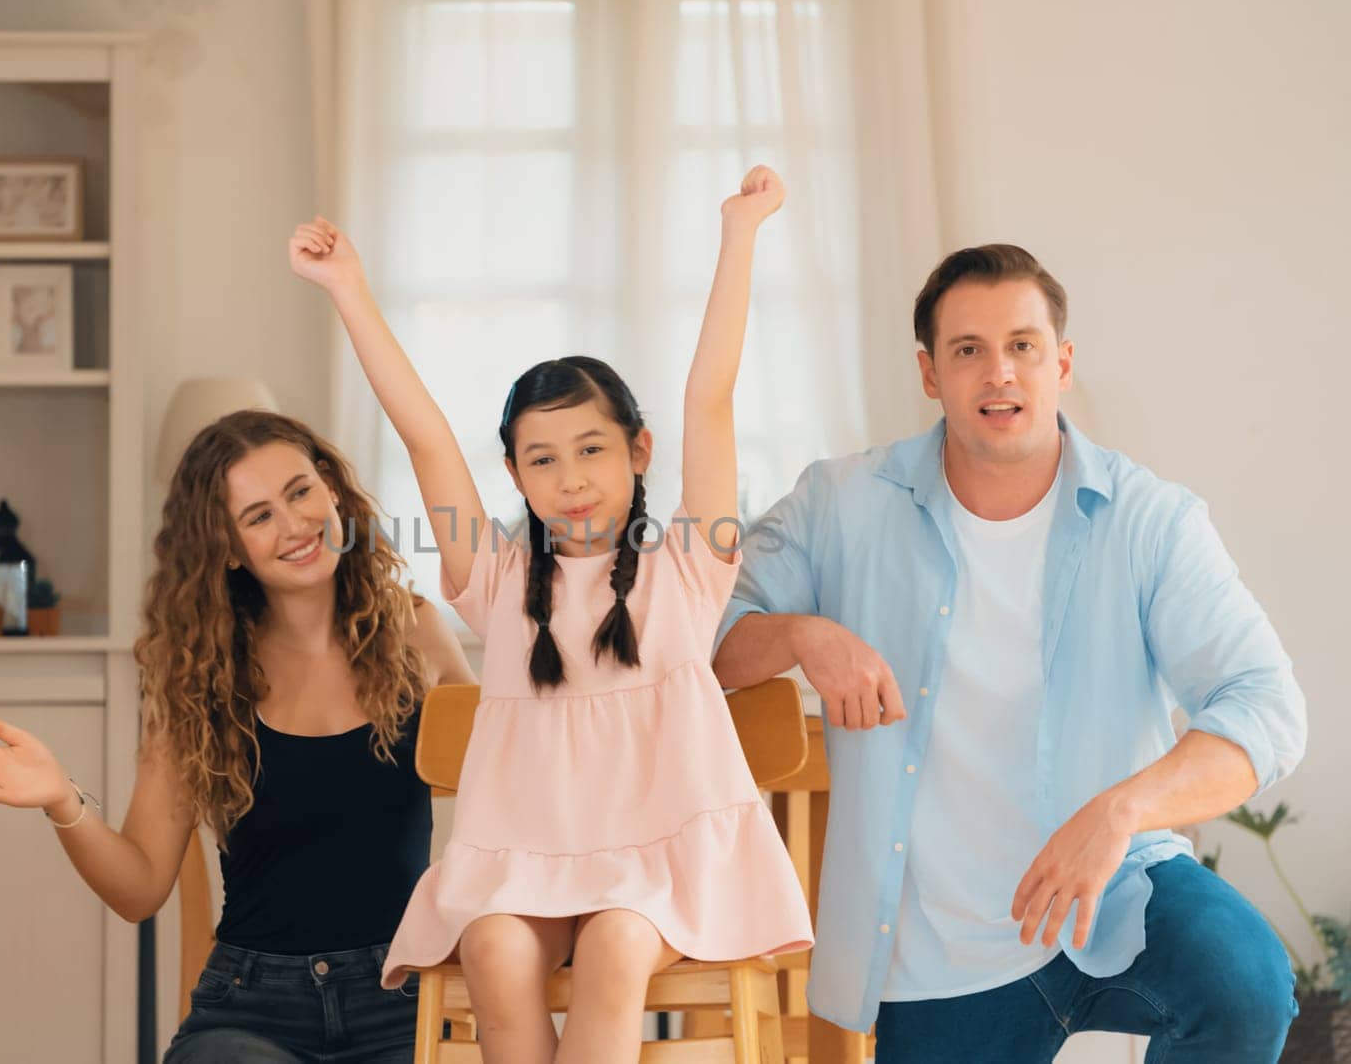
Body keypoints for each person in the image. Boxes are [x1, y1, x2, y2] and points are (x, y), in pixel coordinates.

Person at [712, 244, 1307, 1062]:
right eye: (969, 350)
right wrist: (802, 634)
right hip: (937, 959)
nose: (1001, 373)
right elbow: (704, 636)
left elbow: (1266, 707)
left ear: (1060, 363)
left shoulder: (1151, 519)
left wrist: (1120, 810)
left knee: (1243, 982)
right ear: (929, 373)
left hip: (1116, 895)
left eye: (1023, 346)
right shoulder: (838, 504)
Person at [289, 164, 813, 1064]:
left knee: (614, 945)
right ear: (516, 476)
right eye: (540, 460)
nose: (569, 479)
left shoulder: (686, 566)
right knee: (492, 944)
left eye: (591, 449)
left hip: (657, 871)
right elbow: (423, 435)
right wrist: (349, 289)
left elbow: (711, 400)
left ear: (637, 450)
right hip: (525, 864)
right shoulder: (495, 579)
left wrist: (740, 236)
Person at [0, 410, 474, 1063]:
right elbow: (139, 887)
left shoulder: (416, 634)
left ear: (332, 488)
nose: (295, 524)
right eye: (258, 516)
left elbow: (503, 803)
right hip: (253, 1008)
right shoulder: (199, 674)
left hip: (405, 995)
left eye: (300, 491)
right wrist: (61, 799)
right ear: (226, 547)